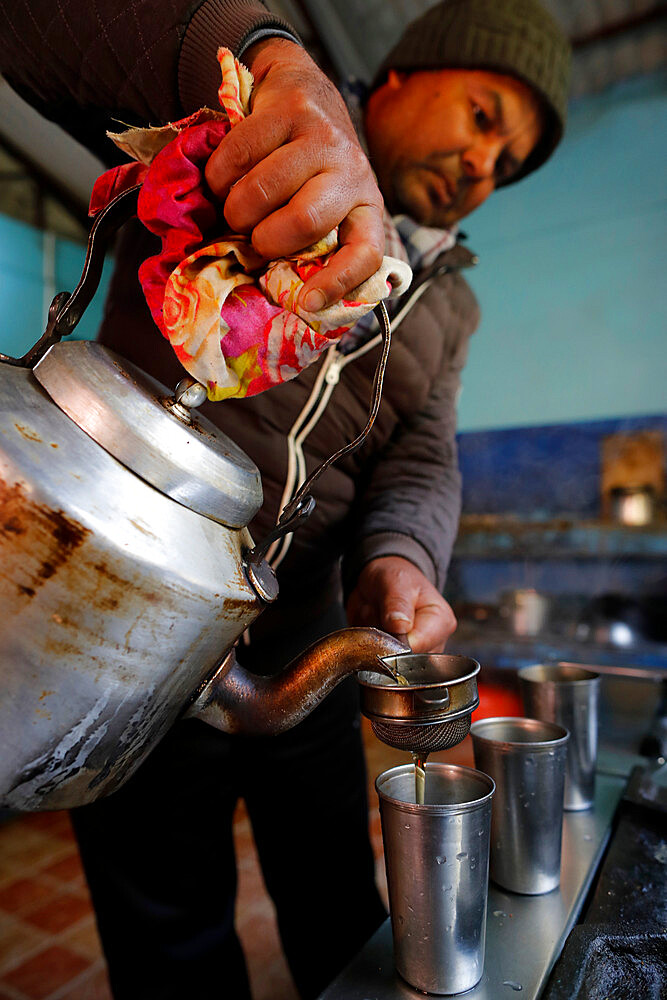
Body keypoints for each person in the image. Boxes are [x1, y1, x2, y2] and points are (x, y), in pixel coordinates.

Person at [0, 1, 571, 998]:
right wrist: (265, 60)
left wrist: (401, 560)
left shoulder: (447, 301)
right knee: (166, 930)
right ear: (400, 75)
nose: (485, 167)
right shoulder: (246, 132)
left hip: (306, 644)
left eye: (509, 164)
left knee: (335, 902)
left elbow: (421, 457)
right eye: (483, 117)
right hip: (139, 629)